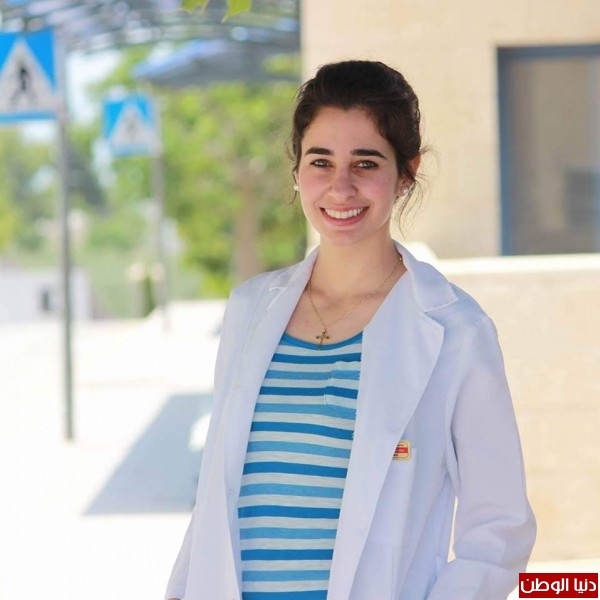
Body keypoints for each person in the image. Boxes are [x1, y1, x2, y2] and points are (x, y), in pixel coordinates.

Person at [165, 60, 536, 600]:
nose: (340, 187)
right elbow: (214, 502)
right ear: (297, 169)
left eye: (366, 162)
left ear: (405, 173)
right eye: (321, 161)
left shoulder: (454, 330)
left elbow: (499, 529)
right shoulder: (249, 310)